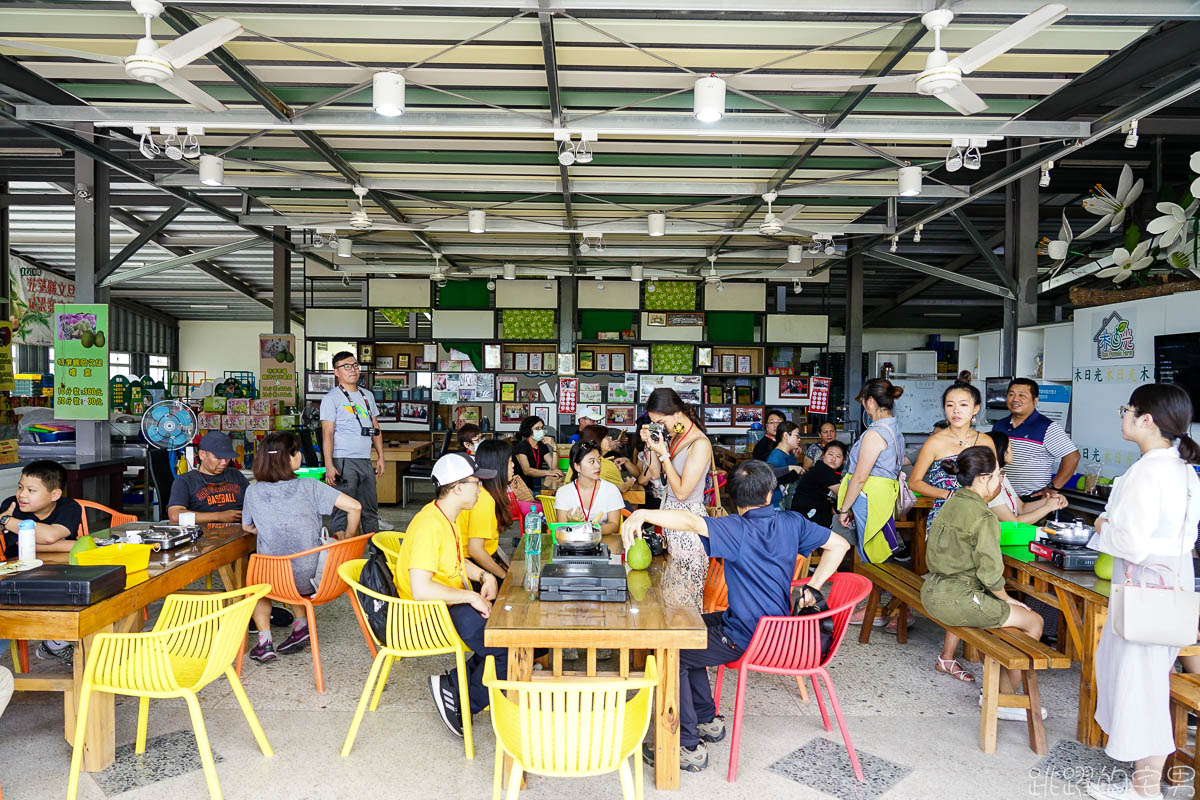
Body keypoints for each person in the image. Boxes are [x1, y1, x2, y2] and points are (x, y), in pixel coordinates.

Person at [620, 460, 851, 772]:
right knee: (687, 628)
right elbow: (839, 545)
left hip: (749, 637)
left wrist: (643, 512)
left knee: (674, 652)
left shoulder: (735, 528)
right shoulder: (792, 522)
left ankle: (686, 745)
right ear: (771, 494)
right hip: (778, 630)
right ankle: (706, 719)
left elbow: (689, 521)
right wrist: (814, 584)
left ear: (732, 497)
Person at [1086, 384, 1200, 800]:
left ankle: (1145, 788)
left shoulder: (1148, 470)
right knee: (1149, 682)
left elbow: (1131, 542)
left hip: (1145, 587)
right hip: (1173, 584)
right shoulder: (1183, 470)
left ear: (1146, 419)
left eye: (1127, 409)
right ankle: (1143, 781)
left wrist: (1101, 526)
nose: (1124, 416)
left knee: (1139, 685)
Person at [921, 446, 1047, 721]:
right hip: (958, 598)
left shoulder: (952, 501)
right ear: (983, 478)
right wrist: (1006, 598)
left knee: (1019, 621)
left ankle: (1002, 691)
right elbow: (990, 573)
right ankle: (1005, 699)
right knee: (1034, 621)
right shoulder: (983, 516)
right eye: (999, 476)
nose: (1001, 482)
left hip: (932, 589)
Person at [394, 453, 504, 740]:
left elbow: (455, 561)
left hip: (445, 604)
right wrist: (470, 598)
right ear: (457, 488)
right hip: (428, 614)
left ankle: (454, 683)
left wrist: (484, 576)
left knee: (502, 637)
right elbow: (421, 589)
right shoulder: (430, 524)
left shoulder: (446, 516)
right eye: (476, 483)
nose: (480, 489)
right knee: (507, 646)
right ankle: (465, 702)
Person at [243, 432, 362, 663]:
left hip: (275, 579)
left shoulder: (253, 491)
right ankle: (300, 626)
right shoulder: (310, 486)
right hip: (315, 579)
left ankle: (264, 642)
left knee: (257, 584)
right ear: (290, 458)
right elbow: (355, 507)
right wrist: (348, 536)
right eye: (297, 452)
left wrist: (270, 530)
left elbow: (248, 527)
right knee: (295, 562)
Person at [908, 373, 995, 679]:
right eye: (949, 405)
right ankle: (952, 655)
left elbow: (994, 483)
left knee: (977, 581)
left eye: (963, 404)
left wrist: (982, 496)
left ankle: (961, 653)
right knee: (961, 581)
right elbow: (914, 481)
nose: (955, 410)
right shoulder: (936, 441)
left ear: (976, 408)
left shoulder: (985, 442)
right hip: (944, 521)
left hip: (977, 519)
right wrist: (950, 495)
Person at [1, 460, 85, 664]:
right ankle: (55, 643)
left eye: (31, 490)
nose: (22, 495)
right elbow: (35, 542)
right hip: (19, 576)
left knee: (90, 595)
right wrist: (73, 543)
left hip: (61, 572)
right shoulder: (11, 505)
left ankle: (55, 643)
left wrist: (7, 522)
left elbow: (44, 538)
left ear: (55, 494)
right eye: (20, 487)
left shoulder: (69, 506)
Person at [640, 388, 714, 610]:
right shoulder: (674, 437)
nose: (660, 427)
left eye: (661, 421)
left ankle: (687, 643)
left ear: (677, 413)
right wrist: (652, 447)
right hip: (670, 520)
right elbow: (654, 474)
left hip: (689, 527)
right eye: (654, 423)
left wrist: (663, 453)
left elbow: (682, 493)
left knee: (686, 599)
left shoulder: (699, 444)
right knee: (671, 593)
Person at [835, 379, 906, 566]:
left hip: (869, 495)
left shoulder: (875, 434)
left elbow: (859, 478)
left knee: (871, 549)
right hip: (882, 494)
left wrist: (844, 509)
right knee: (879, 544)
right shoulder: (894, 430)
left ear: (872, 402)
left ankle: (879, 588)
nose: (864, 407)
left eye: (864, 402)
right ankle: (880, 589)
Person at [320, 350, 384, 536]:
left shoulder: (367, 395)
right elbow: (327, 433)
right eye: (346, 366)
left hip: (364, 459)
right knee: (342, 509)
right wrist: (329, 465)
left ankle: (375, 555)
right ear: (336, 372)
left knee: (370, 510)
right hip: (343, 460)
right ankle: (341, 555)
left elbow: (375, 428)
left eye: (355, 365)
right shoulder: (331, 398)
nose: (352, 370)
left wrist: (380, 456)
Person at [991, 377, 1080, 501]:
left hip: (1032, 498)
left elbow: (1073, 457)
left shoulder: (1047, 427)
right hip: (1001, 496)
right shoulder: (999, 425)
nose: (1015, 399)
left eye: (1022, 395)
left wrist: (1053, 487)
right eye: (1011, 394)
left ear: (1035, 400)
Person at [167, 431, 249, 524]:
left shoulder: (236, 475)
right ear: (202, 455)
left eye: (227, 457)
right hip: (204, 535)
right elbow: (175, 516)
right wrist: (218, 516)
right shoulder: (185, 481)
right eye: (218, 457)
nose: (224, 462)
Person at [986, 432, 1069, 525]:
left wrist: (1051, 501)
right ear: (1002, 452)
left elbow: (1022, 508)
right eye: (1011, 448)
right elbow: (1014, 523)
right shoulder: (990, 483)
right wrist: (1048, 507)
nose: (1013, 451)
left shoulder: (1003, 478)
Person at [461, 439, 513, 581]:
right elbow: (475, 550)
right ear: (499, 466)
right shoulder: (483, 499)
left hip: (472, 562)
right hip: (467, 568)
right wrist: (504, 576)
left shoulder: (484, 492)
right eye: (510, 461)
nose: (513, 466)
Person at [554, 440, 625, 535]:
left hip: (602, 543)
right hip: (573, 545)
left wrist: (589, 530)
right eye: (592, 462)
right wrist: (572, 523)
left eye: (599, 460)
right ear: (577, 467)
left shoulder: (611, 490)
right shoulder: (563, 492)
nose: (598, 466)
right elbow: (561, 528)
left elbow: (614, 525)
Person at [567, 425, 638, 493]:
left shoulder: (577, 460)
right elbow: (621, 488)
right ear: (597, 441)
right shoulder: (607, 465)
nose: (610, 438)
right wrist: (630, 482)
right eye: (606, 437)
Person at [791, 441, 846, 527]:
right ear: (823, 455)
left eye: (838, 456)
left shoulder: (823, 468)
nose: (833, 459)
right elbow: (842, 493)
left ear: (843, 460)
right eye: (830, 454)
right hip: (807, 515)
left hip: (805, 514)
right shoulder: (824, 470)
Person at [512, 415, 563, 496]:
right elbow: (527, 471)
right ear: (529, 431)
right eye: (537, 428)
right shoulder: (521, 446)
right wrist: (548, 472)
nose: (541, 431)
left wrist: (554, 447)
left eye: (542, 428)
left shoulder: (542, 446)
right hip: (520, 489)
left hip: (536, 487)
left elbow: (554, 467)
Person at [765, 421, 804, 507]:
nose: (799, 439)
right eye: (797, 435)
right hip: (777, 504)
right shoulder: (776, 454)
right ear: (786, 435)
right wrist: (790, 468)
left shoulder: (789, 453)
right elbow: (768, 473)